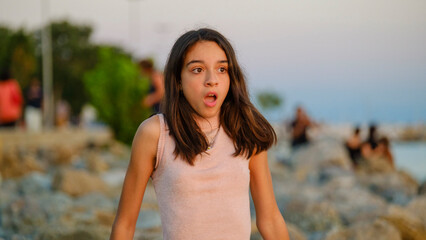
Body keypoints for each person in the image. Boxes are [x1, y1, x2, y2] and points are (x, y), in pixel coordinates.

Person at [110, 28, 289, 240]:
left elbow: (269, 218)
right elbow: (125, 224)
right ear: (178, 80)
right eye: (197, 70)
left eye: (222, 69)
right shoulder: (154, 133)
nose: (212, 79)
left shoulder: (245, 130)